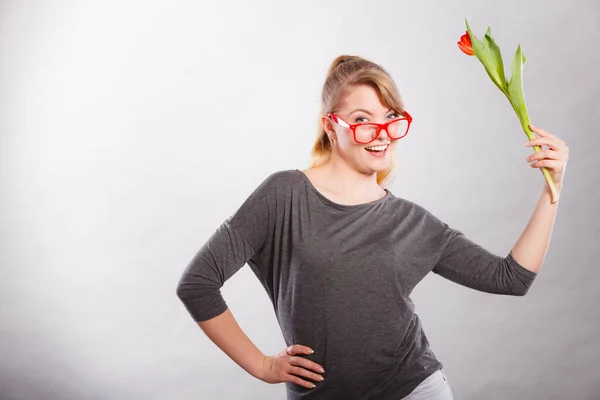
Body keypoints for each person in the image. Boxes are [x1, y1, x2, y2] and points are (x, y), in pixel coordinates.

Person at [176, 55, 568, 400]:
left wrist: (553, 187)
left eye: (390, 117)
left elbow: (510, 278)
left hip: (414, 389)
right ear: (331, 126)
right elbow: (198, 283)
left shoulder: (410, 221)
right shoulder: (284, 194)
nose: (381, 134)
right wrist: (261, 366)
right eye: (362, 120)